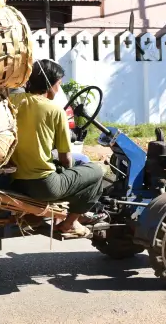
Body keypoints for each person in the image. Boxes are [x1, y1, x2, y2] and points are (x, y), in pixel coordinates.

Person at [9, 59, 104, 238]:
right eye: (58, 84)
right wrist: (70, 174)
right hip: (44, 186)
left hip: (15, 179)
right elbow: (65, 159)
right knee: (97, 171)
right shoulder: (54, 110)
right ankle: (71, 223)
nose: (58, 89)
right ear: (50, 84)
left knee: (80, 163)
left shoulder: (13, 100)